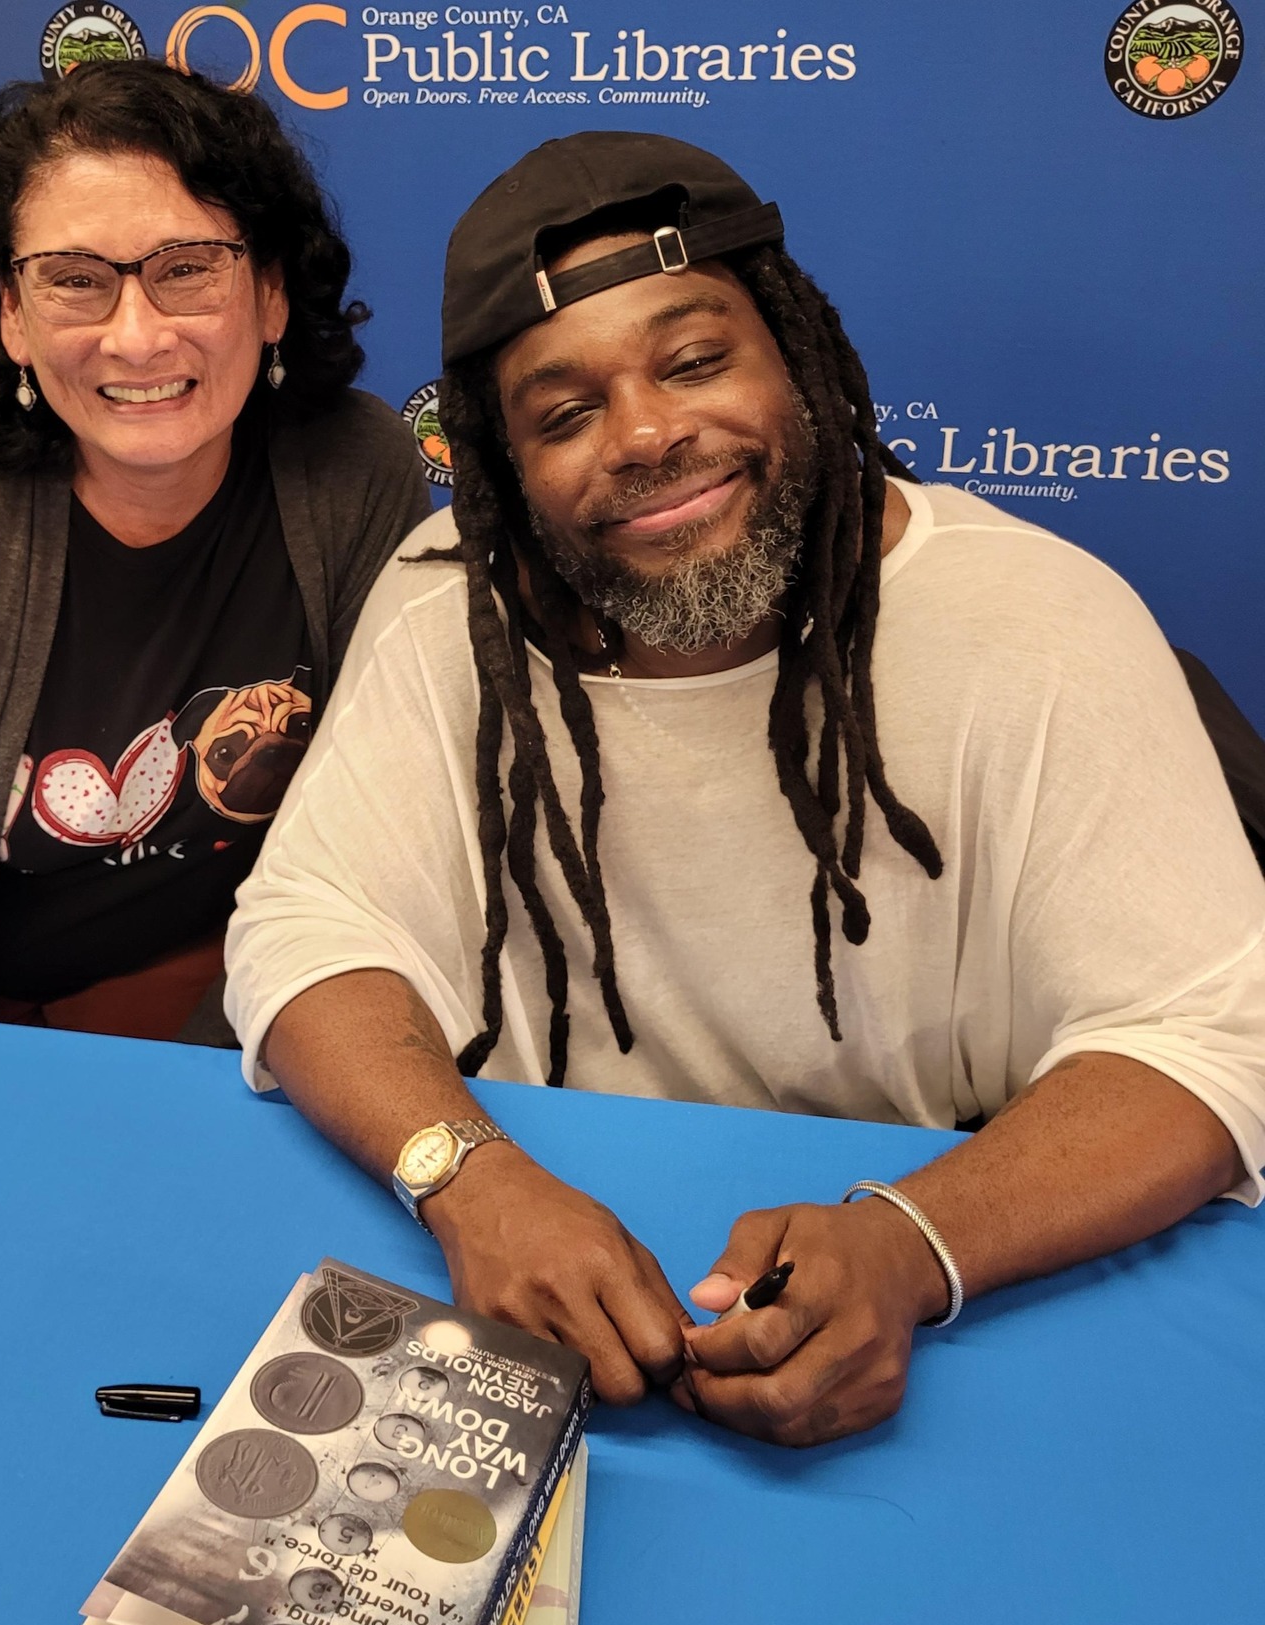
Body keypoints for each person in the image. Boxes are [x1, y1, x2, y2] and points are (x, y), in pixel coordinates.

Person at [223, 133, 1265, 1445]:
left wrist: (914, 1243)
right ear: (503, 470)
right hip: (541, 1272)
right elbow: (310, 925)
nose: (648, 433)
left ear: (797, 357)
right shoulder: (454, 603)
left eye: (695, 359)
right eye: (564, 412)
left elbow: (1205, 1037)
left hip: (947, 1284)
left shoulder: (1046, 623)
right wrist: (468, 1179)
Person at [0, 60, 427, 1042]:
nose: (136, 337)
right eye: (76, 282)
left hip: (260, 998)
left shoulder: (358, 472)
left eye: (186, 268)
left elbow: (376, 836)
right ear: (12, 317)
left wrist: (211, 1080)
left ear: (270, 294)